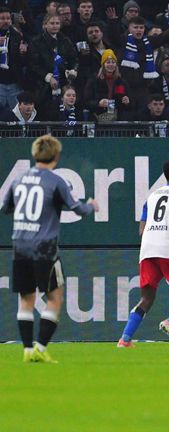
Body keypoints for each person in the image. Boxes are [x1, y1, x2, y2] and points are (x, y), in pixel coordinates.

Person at [1, 135, 99, 362]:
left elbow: (6, 207)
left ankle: (26, 350)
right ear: (56, 156)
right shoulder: (55, 181)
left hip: (20, 245)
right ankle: (41, 348)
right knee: (55, 298)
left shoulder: (19, 179)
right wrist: (92, 205)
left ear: (35, 154)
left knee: (26, 299)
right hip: (44, 247)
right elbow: (78, 209)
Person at [117, 158, 169, 348]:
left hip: (147, 249)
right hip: (168, 250)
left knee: (146, 298)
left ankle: (125, 339)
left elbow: (142, 230)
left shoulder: (152, 197)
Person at [83, 49, 131, 122]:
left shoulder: (122, 81)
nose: (111, 65)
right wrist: (98, 103)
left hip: (117, 119)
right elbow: (86, 101)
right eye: (108, 62)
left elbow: (129, 101)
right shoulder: (94, 80)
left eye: (113, 62)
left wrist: (126, 101)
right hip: (97, 118)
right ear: (103, 64)